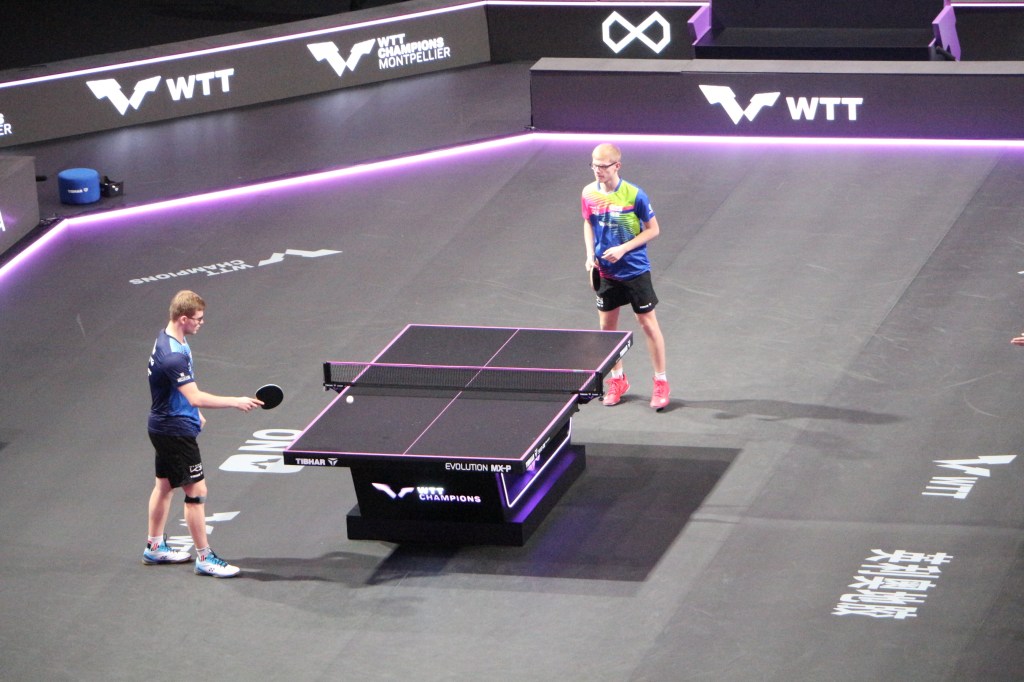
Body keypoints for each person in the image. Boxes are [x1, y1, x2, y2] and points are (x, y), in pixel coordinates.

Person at [143, 290, 262, 578]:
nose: (201, 323)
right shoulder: (173, 356)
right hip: (174, 432)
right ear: (183, 319)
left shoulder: (171, 338)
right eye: (198, 319)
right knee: (196, 492)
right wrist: (234, 401)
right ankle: (205, 558)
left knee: (164, 485)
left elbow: (175, 391)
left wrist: (192, 411)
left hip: (162, 425)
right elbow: (194, 396)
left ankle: (154, 546)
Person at [581, 143, 670, 410]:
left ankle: (661, 382)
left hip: (634, 269)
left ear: (616, 166)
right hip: (606, 271)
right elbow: (588, 222)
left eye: (603, 166)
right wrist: (589, 255)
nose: (598, 170)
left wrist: (623, 249)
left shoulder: (634, 195)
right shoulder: (588, 193)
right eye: (594, 165)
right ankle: (617, 379)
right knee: (608, 330)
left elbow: (653, 229)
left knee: (647, 324)